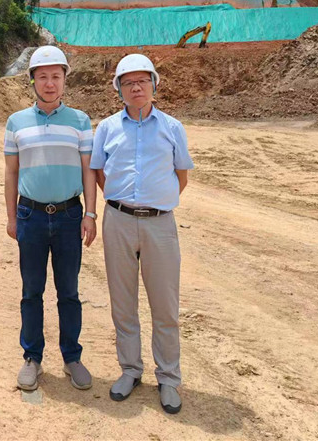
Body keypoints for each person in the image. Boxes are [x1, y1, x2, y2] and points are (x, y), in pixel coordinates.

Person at [89, 53, 194, 414]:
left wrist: (156, 201)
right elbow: (98, 171)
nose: (136, 87)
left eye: (143, 81)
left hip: (160, 224)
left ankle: (169, 377)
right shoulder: (106, 128)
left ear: (154, 84)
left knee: (165, 304)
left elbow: (181, 175)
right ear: (118, 89)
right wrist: (121, 202)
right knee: (123, 302)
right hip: (118, 221)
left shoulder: (172, 128)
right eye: (128, 82)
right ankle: (130, 370)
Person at [4, 45, 98, 392]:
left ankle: (72, 357)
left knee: (69, 291)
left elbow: (89, 171)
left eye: (55, 76)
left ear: (64, 80)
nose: (49, 83)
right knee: (31, 291)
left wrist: (90, 213)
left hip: (69, 215)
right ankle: (32, 357)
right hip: (30, 215)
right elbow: (11, 173)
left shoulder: (80, 121)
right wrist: (11, 216)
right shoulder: (16, 122)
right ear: (32, 81)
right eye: (42, 76)